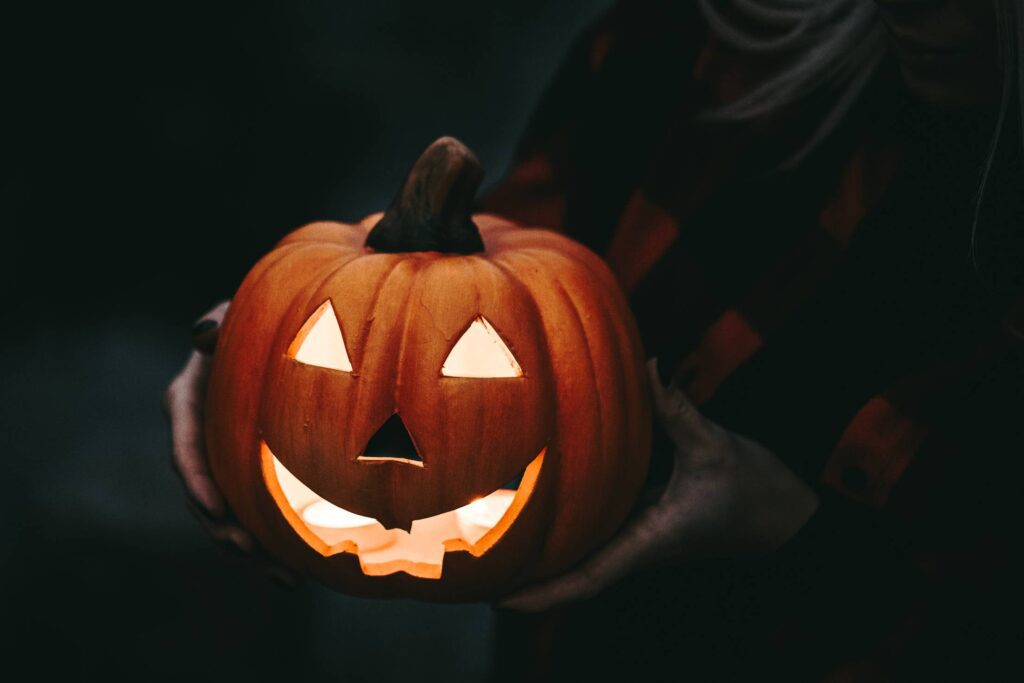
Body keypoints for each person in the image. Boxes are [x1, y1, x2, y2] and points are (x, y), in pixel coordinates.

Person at [165, 0, 1024, 678]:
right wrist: (258, 347)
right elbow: (513, 278)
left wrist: (790, 538)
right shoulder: (698, 45)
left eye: (475, 372)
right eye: (331, 353)